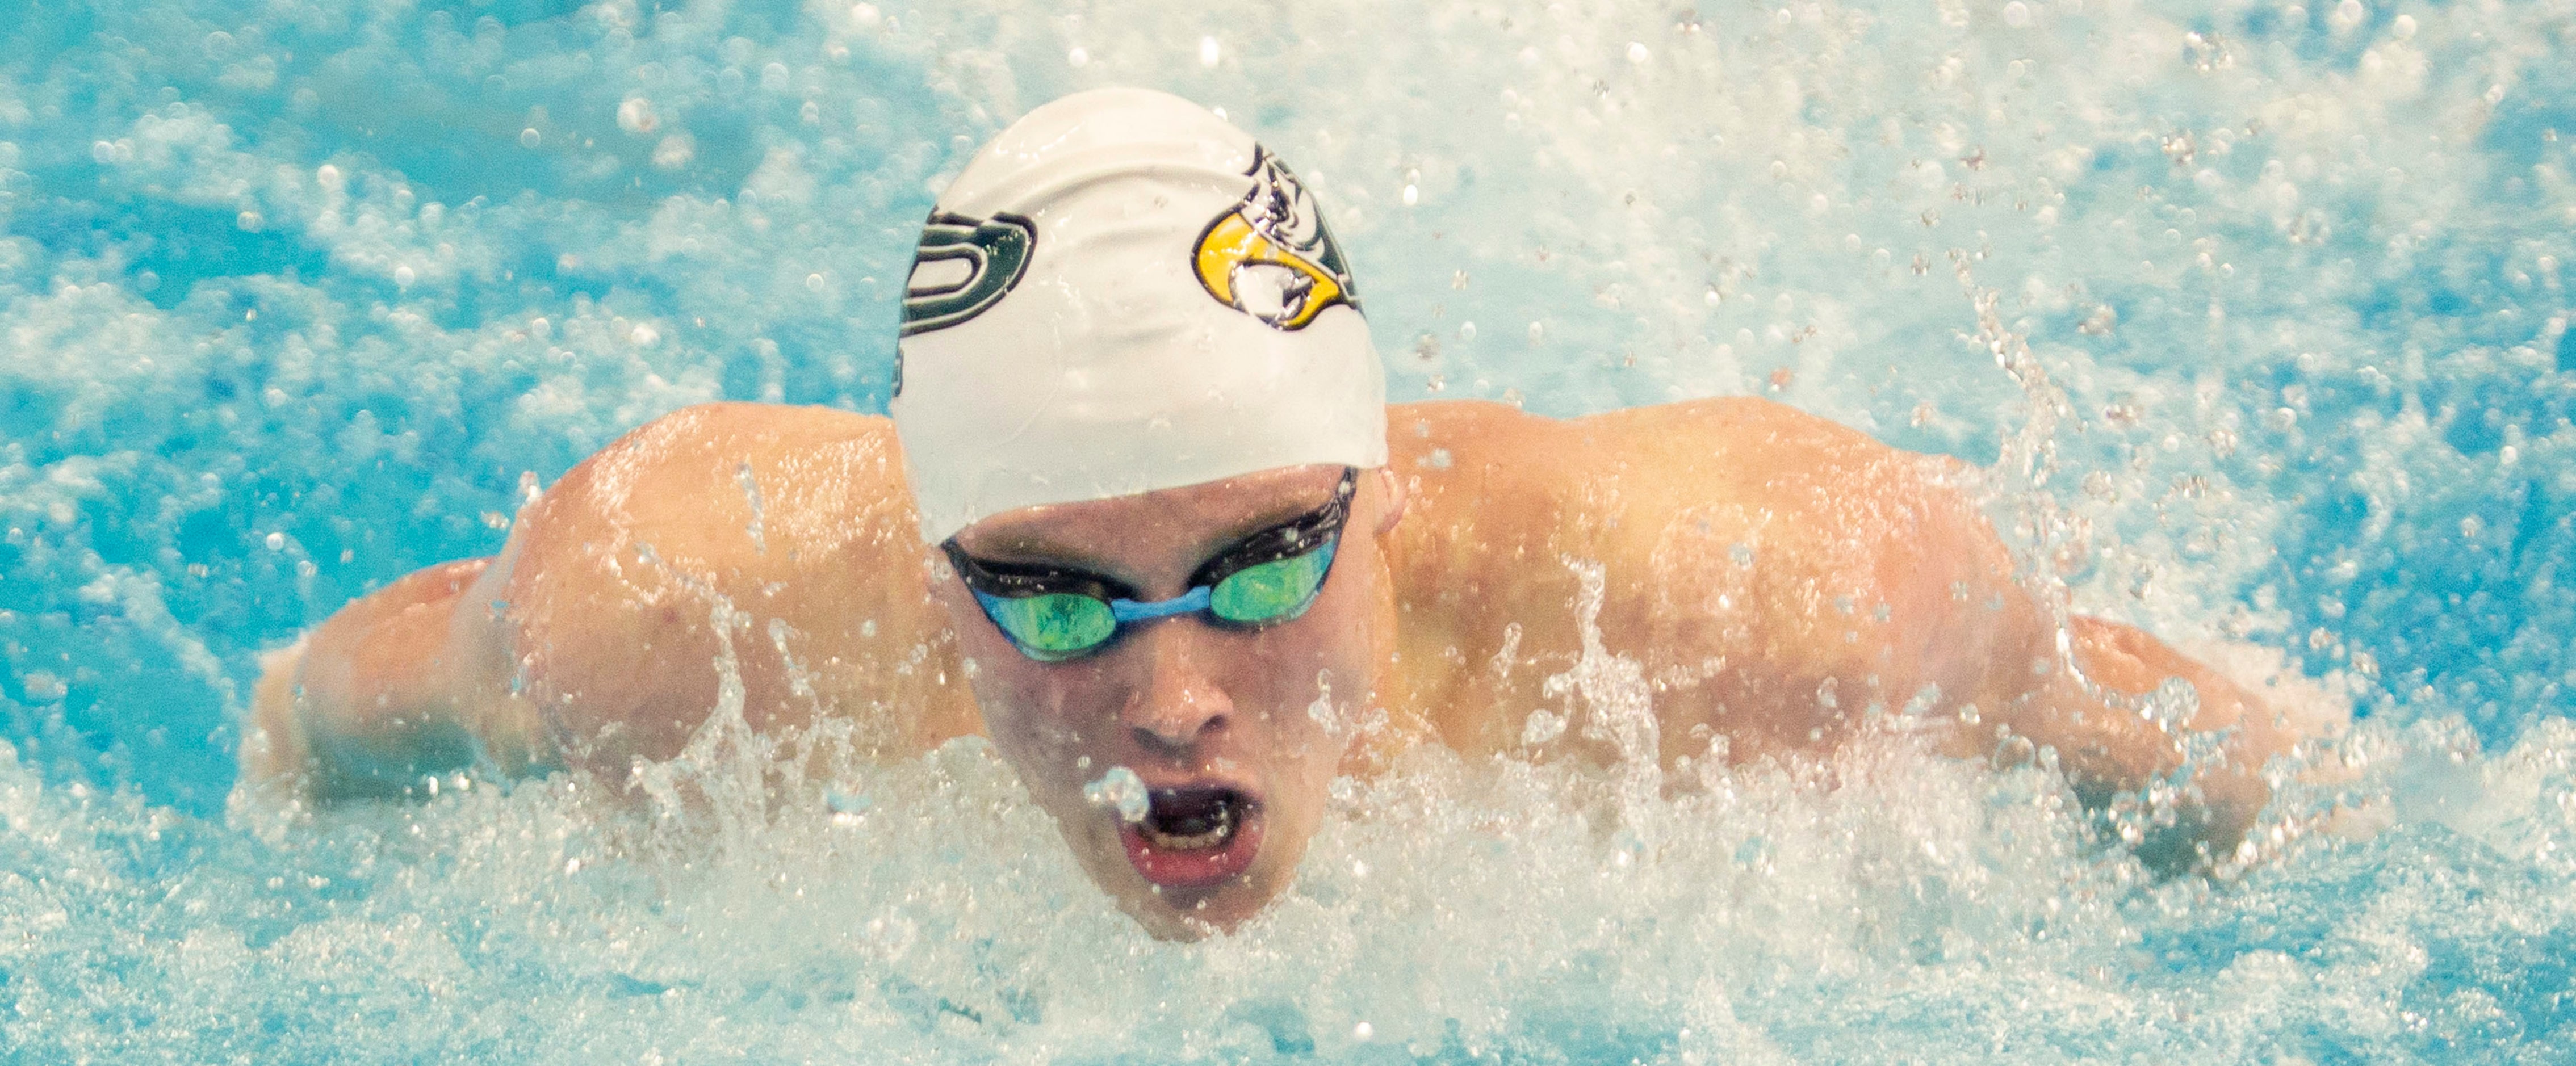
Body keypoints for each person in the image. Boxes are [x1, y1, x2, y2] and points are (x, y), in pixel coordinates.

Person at [238, 88, 2316, 940]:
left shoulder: (1740, 597)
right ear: (925, 567)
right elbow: (307, 728)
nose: (1168, 696)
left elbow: (2212, 757)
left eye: (1260, 568)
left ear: (1385, 508)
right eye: (1050, 599)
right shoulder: (661, 607)